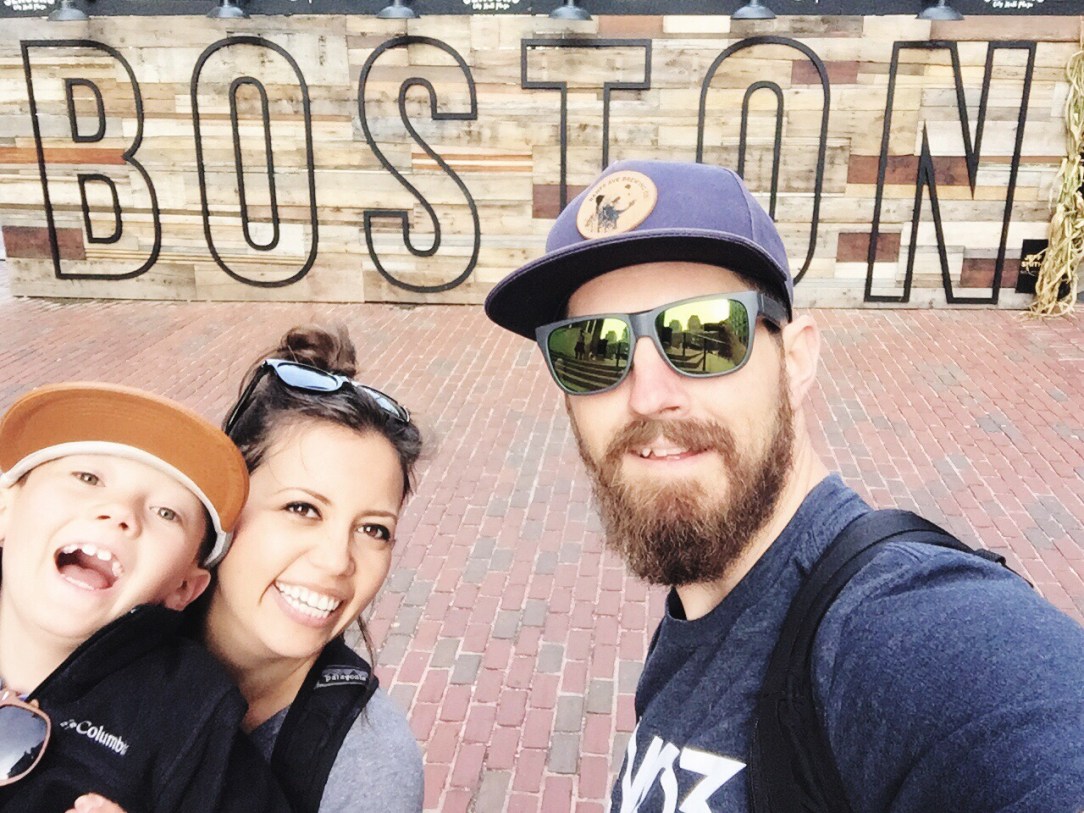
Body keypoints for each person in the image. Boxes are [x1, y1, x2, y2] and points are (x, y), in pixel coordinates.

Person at [484, 159, 1084, 812]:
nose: (647, 396)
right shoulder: (701, 603)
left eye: (704, 334)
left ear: (795, 361)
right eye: (594, 348)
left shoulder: (905, 631)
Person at [0, 382, 289, 812]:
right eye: (88, 477)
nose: (121, 512)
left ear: (184, 588)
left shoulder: (190, 714)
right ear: (5, 509)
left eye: (166, 512)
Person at [195, 325, 425, 812]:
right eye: (303, 508)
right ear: (225, 503)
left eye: (373, 529)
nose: (337, 561)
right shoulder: (101, 635)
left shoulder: (367, 772)